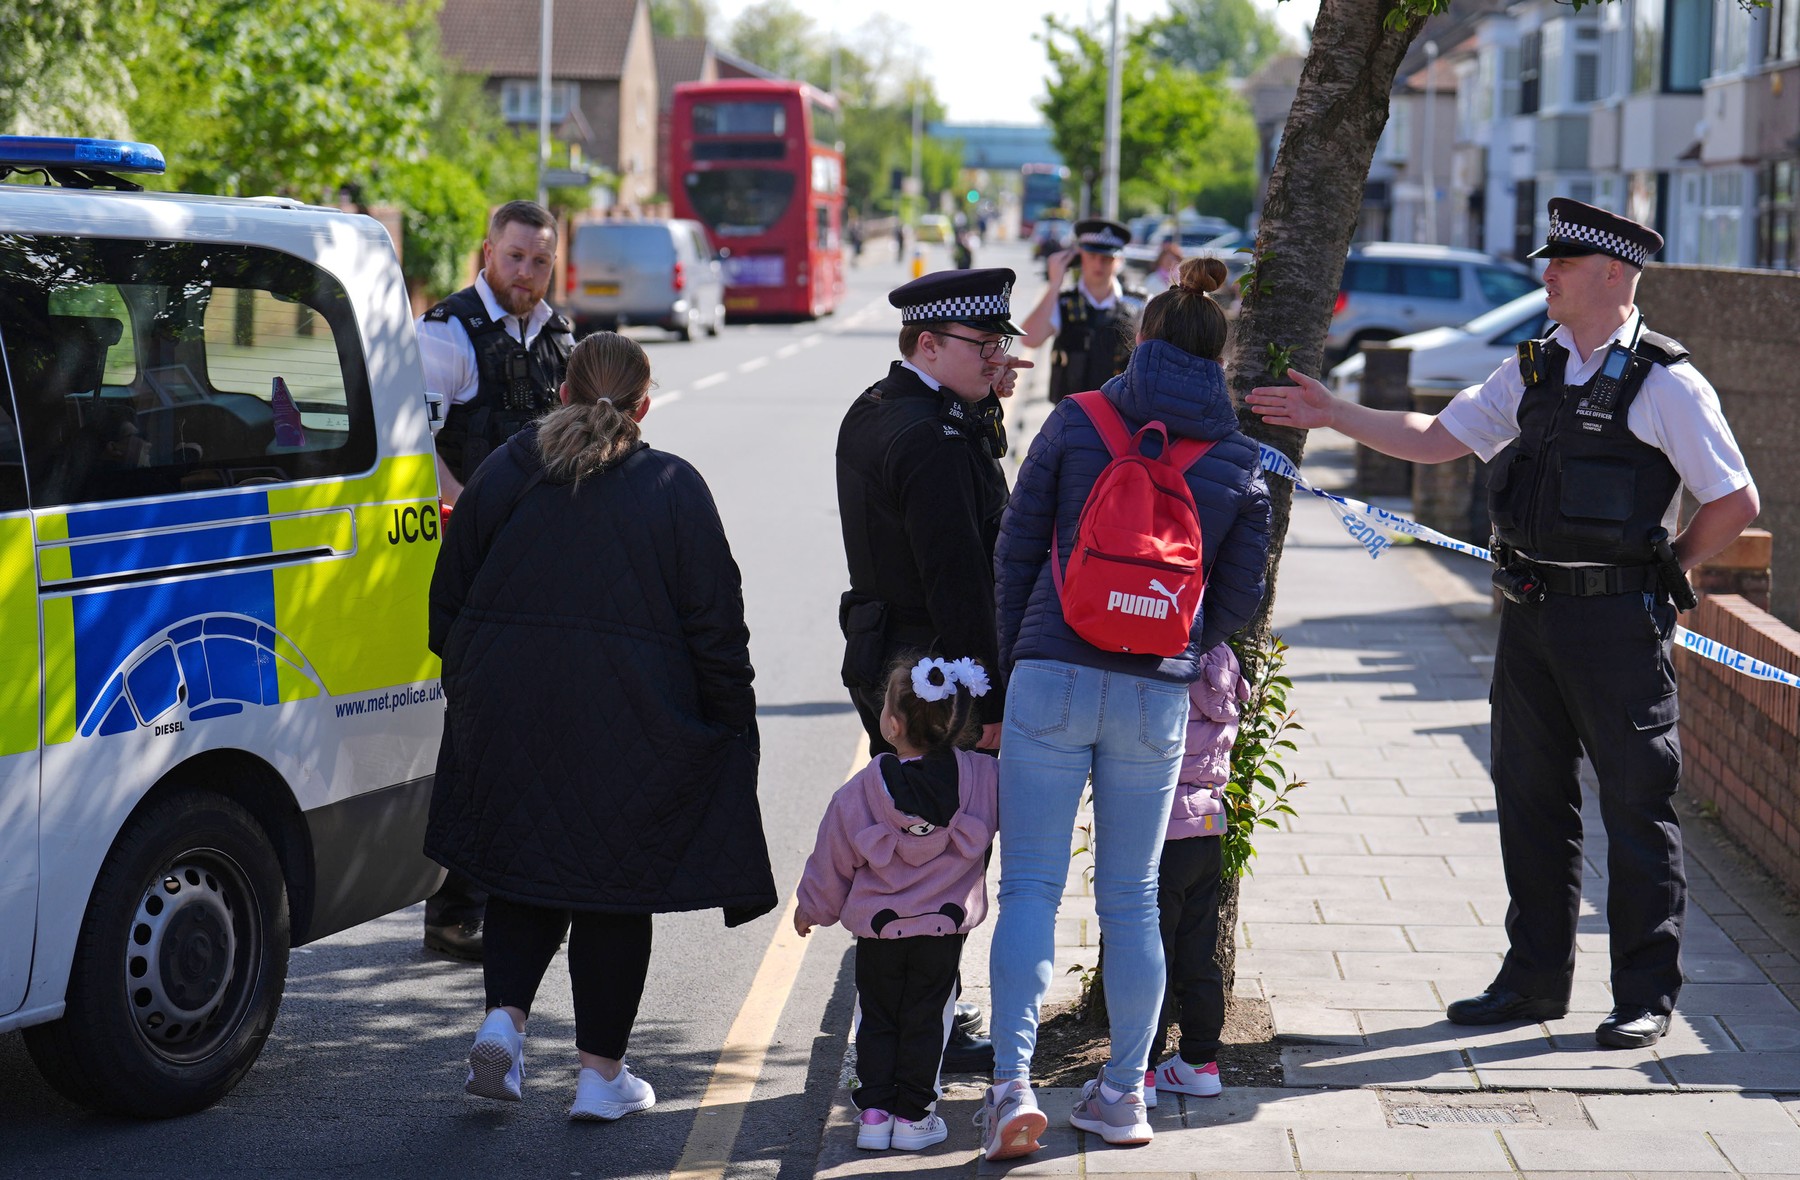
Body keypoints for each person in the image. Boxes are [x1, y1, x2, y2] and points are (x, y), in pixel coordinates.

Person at [1247, 198, 1760, 1050]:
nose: (1546, 275)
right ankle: (1532, 982)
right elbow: (1436, 437)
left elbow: (1735, 499)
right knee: (1530, 802)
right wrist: (1335, 414)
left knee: (1636, 807)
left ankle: (1644, 995)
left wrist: (1669, 571)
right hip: (1530, 618)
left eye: (1563, 263)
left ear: (1614, 274)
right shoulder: (1532, 367)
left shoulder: (1667, 382)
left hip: (1616, 627)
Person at [424, 331, 778, 1119]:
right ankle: (600, 1077)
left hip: (507, 709)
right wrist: (731, 723)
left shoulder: (505, 469)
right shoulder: (674, 486)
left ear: (562, 392)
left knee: (522, 865)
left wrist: (477, 687)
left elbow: (447, 600)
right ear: (644, 407)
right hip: (632, 721)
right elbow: (717, 628)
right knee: (613, 889)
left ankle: (504, 1024)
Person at [980, 257, 1271, 1160]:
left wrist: (1020, 655)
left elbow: (1015, 550)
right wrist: (1177, 637)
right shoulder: (1240, 459)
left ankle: (1012, 1089)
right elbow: (1241, 596)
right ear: (1221, 358)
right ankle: (1122, 1097)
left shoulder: (1079, 420)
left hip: (1052, 672)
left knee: (1029, 888)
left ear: (1141, 340)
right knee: (1135, 899)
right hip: (1156, 691)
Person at [836, 267, 1034, 1074]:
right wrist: (986, 704)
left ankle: (914, 1021)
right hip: (935, 673)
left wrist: (984, 400)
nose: (998, 358)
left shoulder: (882, 405)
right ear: (928, 344)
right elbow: (960, 582)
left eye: (1001, 344)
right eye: (984, 345)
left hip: (887, 655)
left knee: (903, 851)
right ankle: (926, 1035)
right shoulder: (933, 441)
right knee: (940, 863)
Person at [414, 199, 575, 961]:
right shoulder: (445, 334)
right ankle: (454, 912)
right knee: (476, 734)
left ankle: (516, 898)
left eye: (540, 261)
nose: (527, 274)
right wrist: (474, 514)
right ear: (487, 252)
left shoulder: (561, 336)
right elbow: (417, 448)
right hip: (473, 559)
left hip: (541, 564)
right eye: (515, 257)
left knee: (536, 729)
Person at [795, 656, 1000, 1154]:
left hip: (878, 932)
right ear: (958, 721)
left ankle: (874, 1115)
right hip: (942, 932)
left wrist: (813, 907)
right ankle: (914, 1116)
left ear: (891, 725)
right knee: (928, 1020)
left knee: (877, 1018)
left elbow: (832, 856)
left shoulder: (861, 791)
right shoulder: (984, 779)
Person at [1145, 641, 1246, 1110]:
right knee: (1199, 953)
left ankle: (1141, 1069)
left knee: (1151, 954)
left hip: (1163, 831)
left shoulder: (1167, 660)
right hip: (1207, 829)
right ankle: (1200, 1063)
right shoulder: (1224, 664)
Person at [1017, 218, 1146, 403]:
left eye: (1106, 258)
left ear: (1119, 260)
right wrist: (1054, 285)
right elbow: (1030, 339)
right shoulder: (1063, 301)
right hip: (1072, 411)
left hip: (1120, 411)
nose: (1098, 264)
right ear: (1079, 257)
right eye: (1092, 256)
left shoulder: (1139, 304)